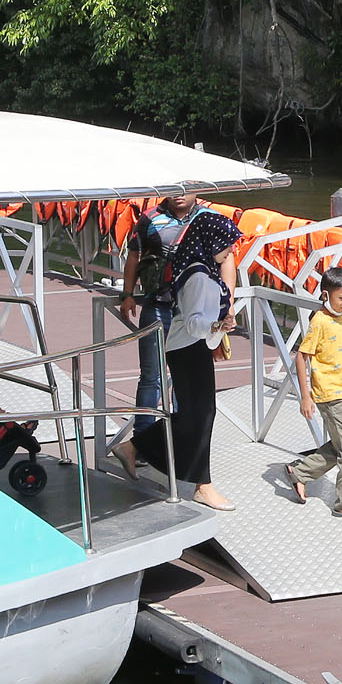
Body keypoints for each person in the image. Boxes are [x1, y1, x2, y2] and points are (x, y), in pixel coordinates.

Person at [109, 208, 239, 511]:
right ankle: (202, 486)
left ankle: (133, 447)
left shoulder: (198, 266)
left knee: (196, 414)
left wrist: (215, 328)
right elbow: (193, 322)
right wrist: (218, 327)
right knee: (201, 414)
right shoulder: (199, 275)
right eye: (227, 243)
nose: (231, 250)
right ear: (211, 241)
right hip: (189, 348)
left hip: (189, 347)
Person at [289, 267, 342, 519]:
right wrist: (306, 395)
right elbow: (301, 357)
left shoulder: (339, 317)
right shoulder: (320, 321)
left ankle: (300, 472)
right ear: (326, 295)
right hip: (330, 395)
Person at [121, 194, 198, 432]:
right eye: (174, 188)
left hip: (192, 311)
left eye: (186, 188)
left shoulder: (207, 219)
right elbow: (134, 256)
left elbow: (227, 258)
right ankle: (143, 437)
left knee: (185, 378)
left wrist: (227, 305)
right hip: (157, 306)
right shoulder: (150, 217)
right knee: (151, 377)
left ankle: (180, 434)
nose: (179, 194)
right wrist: (128, 294)